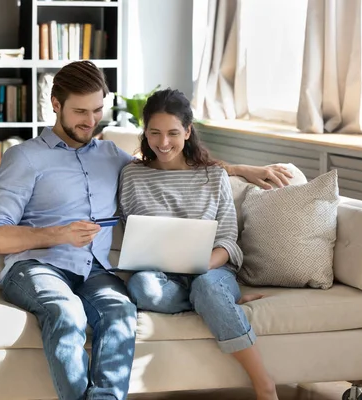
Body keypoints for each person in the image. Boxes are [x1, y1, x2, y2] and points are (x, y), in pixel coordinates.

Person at [0, 61, 290, 400]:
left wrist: (237, 169)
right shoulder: (24, 158)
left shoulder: (111, 156)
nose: (90, 121)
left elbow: (170, 162)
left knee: (121, 312)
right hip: (36, 268)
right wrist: (58, 234)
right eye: (80, 111)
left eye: (97, 110)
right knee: (66, 312)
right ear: (56, 105)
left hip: (93, 271)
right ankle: (213, 301)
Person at [119, 88, 279, 400]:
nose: (163, 143)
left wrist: (202, 265)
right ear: (145, 133)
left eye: (172, 133)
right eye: (154, 133)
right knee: (140, 288)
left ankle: (265, 384)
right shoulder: (132, 176)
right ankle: (216, 304)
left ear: (188, 131)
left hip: (211, 271)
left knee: (206, 285)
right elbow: (134, 232)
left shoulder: (212, 176)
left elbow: (227, 240)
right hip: (160, 277)